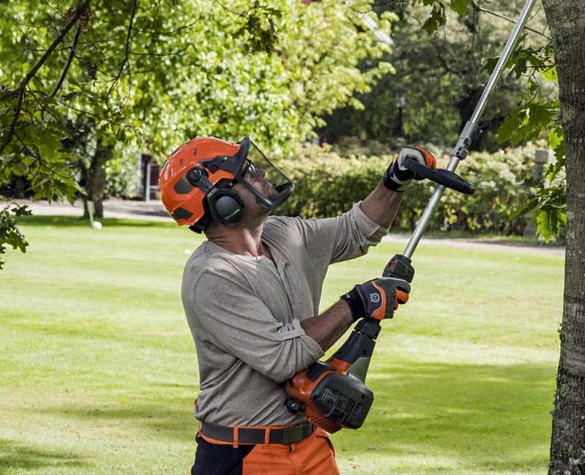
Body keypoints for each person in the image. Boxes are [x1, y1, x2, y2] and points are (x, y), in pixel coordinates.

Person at [158, 135, 435, 475]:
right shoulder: (212, 276)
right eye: (246, 171)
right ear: (222, 203)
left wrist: (395, 178)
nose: (259, 173)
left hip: (309, 443)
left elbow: (357, 229)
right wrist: (356, 303)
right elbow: (282, 357)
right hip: (244, 453)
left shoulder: (284, 234)